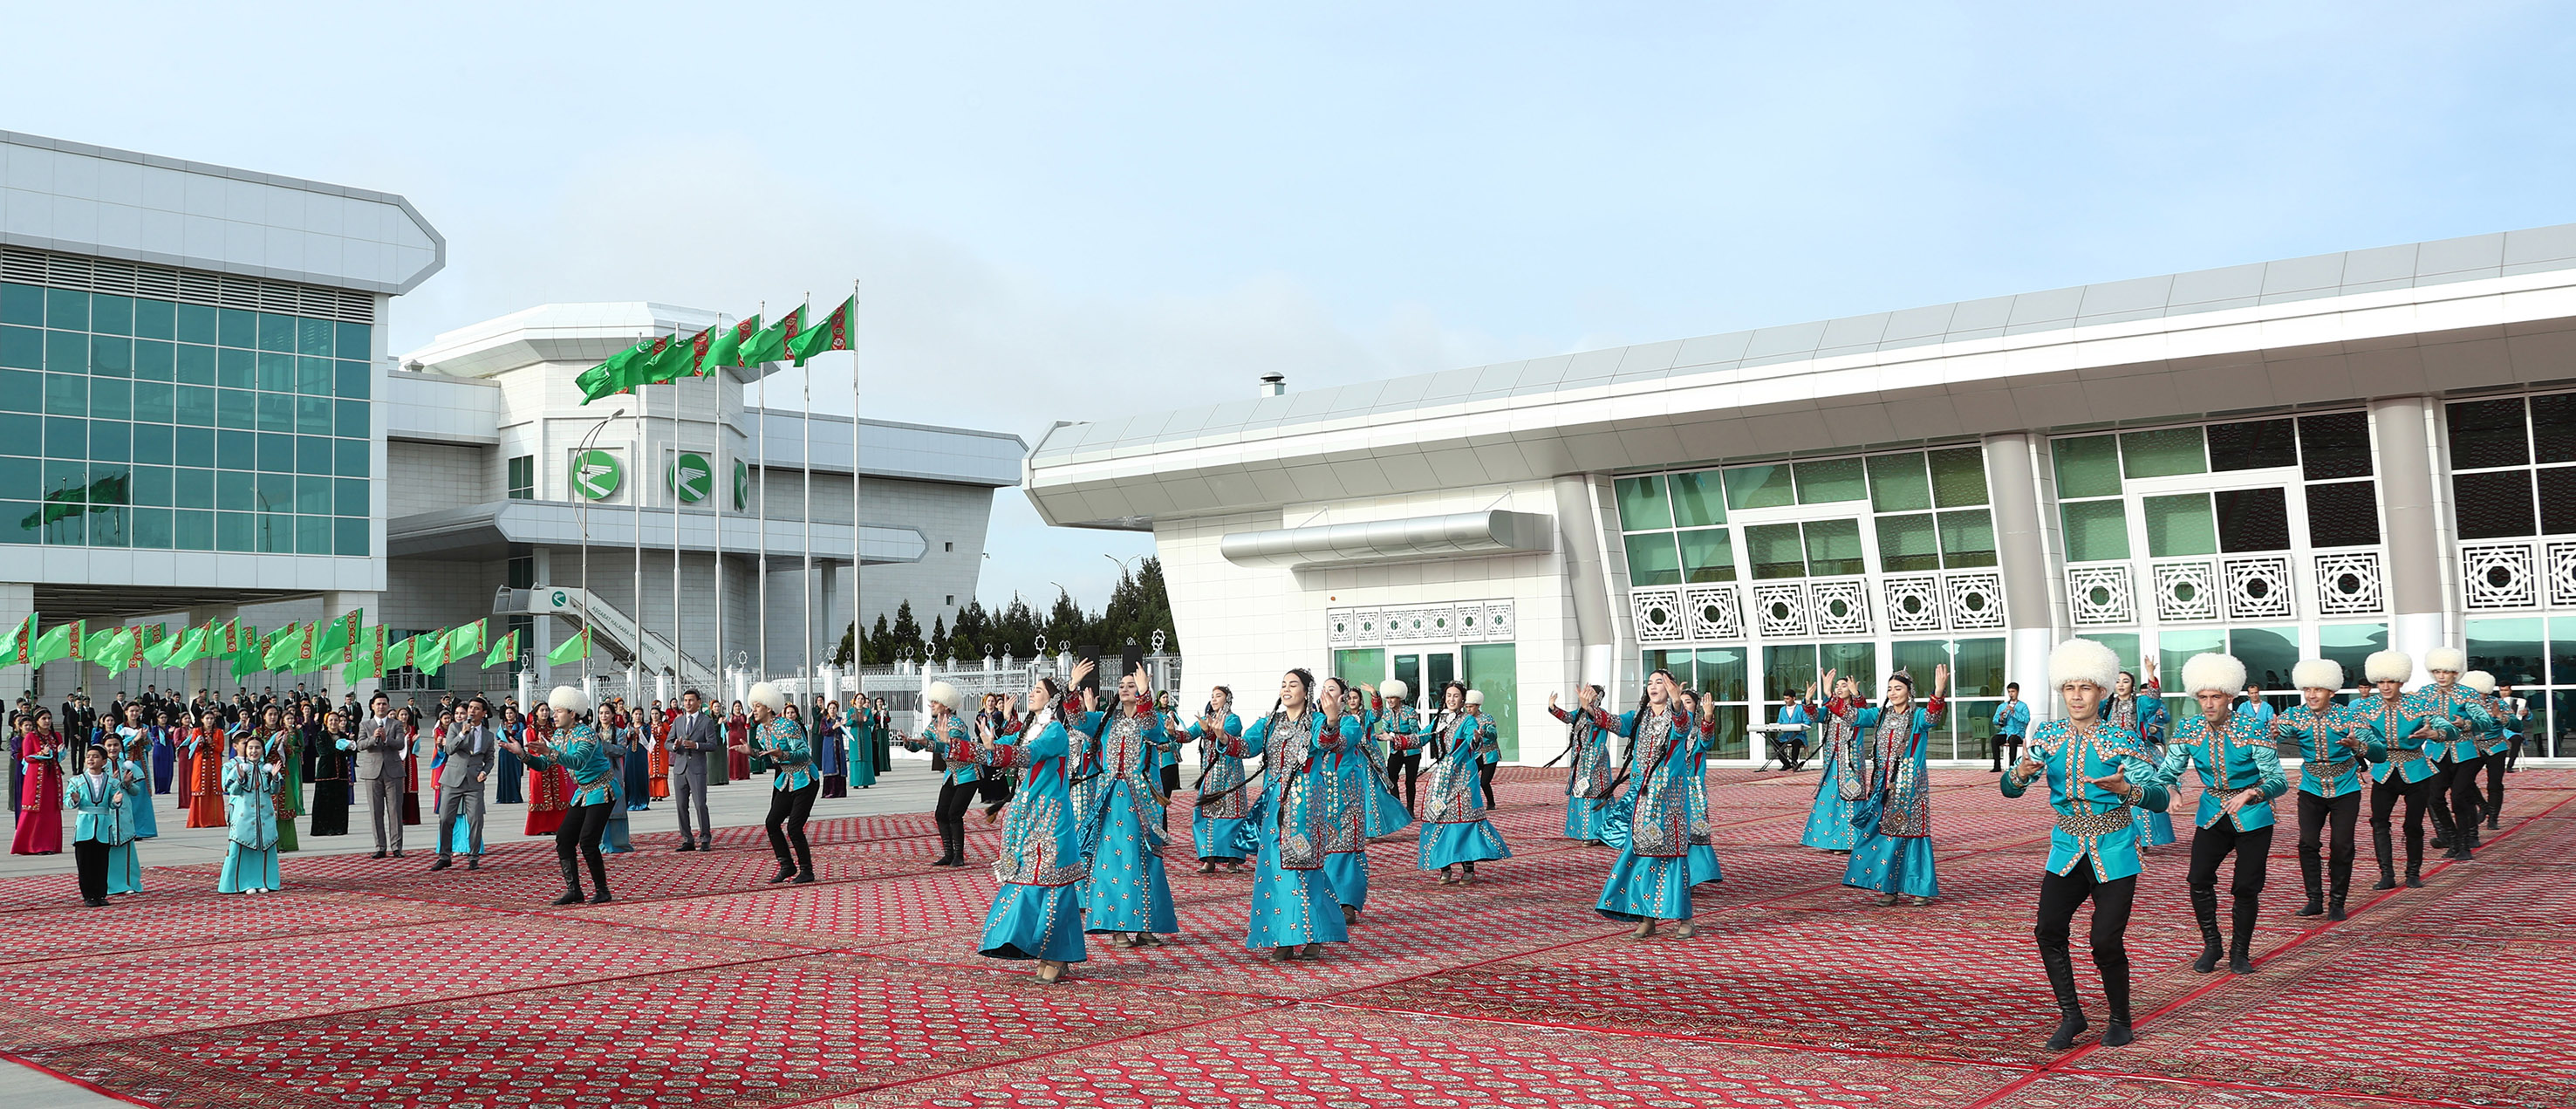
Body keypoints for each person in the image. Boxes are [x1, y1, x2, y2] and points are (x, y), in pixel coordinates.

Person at [2002, 638, 2173, 1050]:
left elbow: (2159, 797)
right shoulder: (2047, 736)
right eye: (2069, 688)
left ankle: (2120, 1019)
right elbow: (2009, 789)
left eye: (2085, 688)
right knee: (2047, 929)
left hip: (2115, 849)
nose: (2076, 696)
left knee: (2104, 940)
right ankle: (2071, 1015)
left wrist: (2127, 789)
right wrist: (2020, 774)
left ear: (2102, 691)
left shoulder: (2121, 740)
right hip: (2066, 847)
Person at [2159, 653, 2287, 976]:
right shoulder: (2189, 728)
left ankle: (2239, 952)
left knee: (2246, 886)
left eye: (2215, 697)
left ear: (2230, 697)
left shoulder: (2252, 728)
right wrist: (2172, 789)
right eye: (2202, 697)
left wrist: (2253, 793)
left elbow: (2278, 780)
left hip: (2254, 815)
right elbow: (2168, 772)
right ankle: (2212, 945)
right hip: (2212, 812)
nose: (2208, 704)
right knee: (2198, 878)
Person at [966, 671, 1091, 982]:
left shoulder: (1054, 732)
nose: (1031, 694)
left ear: (1052, 699)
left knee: (1054, 886)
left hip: (1051, 820)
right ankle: (1046, 951)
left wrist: (995, 749)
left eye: (1037, 690)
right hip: (1028, 820)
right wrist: (942, 744)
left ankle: (1056, 955)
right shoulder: (1029, 730)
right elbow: (997, 751)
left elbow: (1026, 755)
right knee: (1028, 882)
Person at [1240, 667, 1349, 960]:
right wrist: (1222, 737)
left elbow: (1328, 742)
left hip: (1305, 809)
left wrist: (1332, 720)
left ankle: (1311, 935)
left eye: (1293, 684)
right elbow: (1246, 747)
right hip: (1274, 809)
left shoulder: (1316, 721)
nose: (1286, 689)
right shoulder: (1270, 723)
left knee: (1304, 869)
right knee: (1275, 870)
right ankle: (1284, 937)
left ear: (1306, 691)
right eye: (1283, 684)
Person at [1595, 669, 1705, 938]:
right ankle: (1647, 919)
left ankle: (1686, 919)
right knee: (1641, 857)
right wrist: (1590, 708)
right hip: (1643, 802)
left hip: (1671, 802)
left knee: (1673, 860)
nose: (1653, 687)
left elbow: (1682, 727)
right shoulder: (1639, 717)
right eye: (1650, 683)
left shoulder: (1681, 716)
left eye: (1660, 682)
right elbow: (1615, 723)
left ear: (1670, 688)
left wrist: (1677, 702)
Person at [1828, 663, 1949, 906]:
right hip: (1882, 787)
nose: (1893, 693)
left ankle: (1919, 889)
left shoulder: (1917, 717)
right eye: (1889, 689)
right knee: (1881, 833)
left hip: (1910, 787)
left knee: (1912, 834)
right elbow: (1853, 716)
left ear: (1909, 692)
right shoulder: (1880, 715)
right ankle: (1888, 887)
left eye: (1898, 688)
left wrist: (1938, 691)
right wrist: (1831, 693)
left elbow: (1933, 716)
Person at [1078, 667, 1181, 946]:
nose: (1125, 688)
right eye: (1122, 685)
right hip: (1111, 800)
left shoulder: (1151, 717)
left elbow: (1152, 728)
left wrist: (1145, 692)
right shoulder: (1106, 720)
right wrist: (1073, 686)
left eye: (1131, 685)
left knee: (1145, 859)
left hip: (1143, 801)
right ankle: (1117, 928)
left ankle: (1145, 927)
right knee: (1113, 861)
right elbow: (1078, 720)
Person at [2274, 659, 2375, 921]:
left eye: (2317, 689)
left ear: (2331, 691)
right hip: (2310, 788)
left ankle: (2337, 902)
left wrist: (2357, 746)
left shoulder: (2349, 716)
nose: (2311, 695)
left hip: (2346, 789)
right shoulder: (2294, 715)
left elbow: (2379, 752)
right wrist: (2269, 733)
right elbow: (2271, 735)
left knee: (2342, 845)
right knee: (2307, 843)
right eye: (2307, 689)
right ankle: (2314, 900)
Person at [505, 688, 617, 905]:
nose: (553, 715)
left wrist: (548, 751)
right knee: (564, 838)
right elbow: (544, 764)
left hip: (602, 789)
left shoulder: (586, 734)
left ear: (572, 713)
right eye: (553, 711)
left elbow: (578, 762)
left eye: (558, 711)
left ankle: (602, 890)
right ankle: (574, 891)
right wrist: (523, 754)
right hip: (583, 791)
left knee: (588, 841)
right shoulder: (558, 735)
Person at [1400, 680, 1512, 887]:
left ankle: (1468, 869)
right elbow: (1421, 738)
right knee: (1438, 818)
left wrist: (1476, 738)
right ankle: (1445, 868)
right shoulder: (1439, 720)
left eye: (1456, 696)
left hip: (1462, 780)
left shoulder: (1468, 721)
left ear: (1463, 700)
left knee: (1464, 823)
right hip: (1442, 779)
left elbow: (1472, 740)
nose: (1452, 699)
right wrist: (1394, 739)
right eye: (1449, 695)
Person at [2348, 651, 2443, 890]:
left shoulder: (2418, 704)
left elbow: (2447, 728)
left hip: (2416, 770)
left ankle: (2413, 873)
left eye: (2390, 681)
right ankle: (2387, 875)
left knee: (2413, 825)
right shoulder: (2365, 707)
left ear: (2401, 681)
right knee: (2379, 822)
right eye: (2381, 681)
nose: (2385, 686)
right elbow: (2357, 732)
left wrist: (2435, 733)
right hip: (2383, 771)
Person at [2408, 647, 2492, 860]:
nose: (2441, 676)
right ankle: (2453, 839)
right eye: (2437, 672)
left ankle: (2465, 844)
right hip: (2438, 752)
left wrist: (2466, 723)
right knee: (2434, 798)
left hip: (2466, 753)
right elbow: (2414, 716)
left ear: (2455, 672)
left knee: (2459, 797)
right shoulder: (2425, 693)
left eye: (2446, 671)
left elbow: (2486, 722)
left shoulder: (2467, 693)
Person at [905, 681, 983, 868]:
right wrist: (909, 742)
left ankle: (959, 856)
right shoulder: (934, 725)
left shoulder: (957, 725)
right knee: (941, 813)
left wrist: (928, 744)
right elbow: (920, 743)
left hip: (968, 773)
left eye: (935, 702)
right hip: (951, 773)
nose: (931, 705)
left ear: (946, 705)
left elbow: (950, 746)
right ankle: (948, 854)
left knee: (954, 813)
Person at [748, 682, 819, 884]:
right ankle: (787, 865)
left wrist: (783, 754)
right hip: (786, 779)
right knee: (772, 822)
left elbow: (805, 753)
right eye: (753, 706)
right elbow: (769, 756)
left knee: (794, 828)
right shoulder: (760, 731)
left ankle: (807, 870)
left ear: (769, 707)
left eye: (758, 706)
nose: (754, 710)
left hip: (806, 779)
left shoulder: (788, 726)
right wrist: (752, 753)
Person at [1182, 685, 1250, 873]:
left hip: (1232, 777)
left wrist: (1209, 730)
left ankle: (1232, 861)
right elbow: (1188, 735)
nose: (1213, 699)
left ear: (1227, 700)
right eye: (1212, 696)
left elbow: (1224, 736)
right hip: (1211, 777)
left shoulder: (1233, 720)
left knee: (1233, 818)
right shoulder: (1206, 720)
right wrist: (1171, 732)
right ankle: (1208, 860)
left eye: (1218, 696)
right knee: (1205, 817)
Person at [2108, 664, 2173, 852]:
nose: (2121, 685)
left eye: (2125, 681)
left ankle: (2143, 839)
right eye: (2117, 681)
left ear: (2132, 685)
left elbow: (2154, 699)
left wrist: (2151, 674)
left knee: (2140, 792)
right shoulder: (2108, 705)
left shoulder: (2141, 703)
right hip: (2112, 754)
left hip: (2137, 754)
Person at [432, 697, 500, 871]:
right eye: (470, 708)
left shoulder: (488, 735)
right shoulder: (455, 727)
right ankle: (445, 856)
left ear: (484, 713)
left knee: (476, 820)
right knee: (445, 818)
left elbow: (490, 759)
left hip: (474, 781)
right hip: (453, 779)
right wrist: (462, 733)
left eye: (476, 708)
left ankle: (473, 857)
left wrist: (485, 771)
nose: (472, 711)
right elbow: (449, 749)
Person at [1802, 675, 1866, 853]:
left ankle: (1852, 842)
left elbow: (1862, 708)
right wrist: (1808, 699)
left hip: (1851, 763)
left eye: (1843, 686)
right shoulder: (1830, 710)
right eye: (1837, 686)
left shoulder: (1856, 710)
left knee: (1851, 797)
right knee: (1830, 798)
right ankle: (1834, 840)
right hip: (1832, 762)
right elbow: (1814, 715)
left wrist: (1856, 694)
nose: (1839, 689)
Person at [66, 745, 133, 906]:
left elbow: (113, 802)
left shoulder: (112, 782)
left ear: (104, 761)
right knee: (85, 863)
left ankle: (100, 894)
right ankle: (88, 895)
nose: (91, 759)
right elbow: (68, 801)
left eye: (95, 756)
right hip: (84, 826)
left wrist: (116, 801)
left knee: (101, 862)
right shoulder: (77, 781)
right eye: (88, 756)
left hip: (103, 826)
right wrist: (75, 800)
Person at [218, 735, 284, 894]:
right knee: (242, 847)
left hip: (265, 815)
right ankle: (243, 883)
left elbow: (274, 790)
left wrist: (275, 777)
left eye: (257, 748)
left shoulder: (267, 769)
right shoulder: (238, 768)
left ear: (263, 750)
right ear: (245, 750)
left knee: (264, 846)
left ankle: (263, 881)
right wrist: (240, 779)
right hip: (244, 814)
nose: (254, 751)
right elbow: (232, 791)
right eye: (251, 748)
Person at [344, 694, 406, 858]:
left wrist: (386, 739)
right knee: (376, 811)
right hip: (372, 773)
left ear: (388, 706)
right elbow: (360, 745)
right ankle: (380, 847)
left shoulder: (396, 724)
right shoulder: (365, 725)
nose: (381, 707)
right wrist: (373, 738)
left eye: (384, 704)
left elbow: (400, 744)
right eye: (378, 704)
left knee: (395, 811)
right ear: (372, 706)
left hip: (393, 772)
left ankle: (397, 847)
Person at [668, 690, 721, 852]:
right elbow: (667, 742)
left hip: (697, 768)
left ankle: (705, 838)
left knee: (699, 804)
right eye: (685, 700)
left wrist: (697, 745)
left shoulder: (706, 722)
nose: (688, 703)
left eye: (691, 700)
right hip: (680, 768)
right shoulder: (678, 721)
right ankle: (687, 839)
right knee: (681, 806)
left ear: (699, 702)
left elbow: (712, 745)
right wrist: (674, 746)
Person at [2463, 671, 2512, 832]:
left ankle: (2493, 817)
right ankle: (2483, 806)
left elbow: (2515, 725)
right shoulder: (2464, 705)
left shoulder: (2498, 703)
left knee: (2494, 784)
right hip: (2473, 747)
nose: (2481, 696)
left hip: (2496, 747)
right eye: (2477, 693)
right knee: (2464, 781)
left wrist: (2500, 716)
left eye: (2483, 693)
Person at [257, 706, 301, 854]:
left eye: (275, 714)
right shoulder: (258, 732)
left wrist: (287, 744)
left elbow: (291, 755)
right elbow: (256, 752)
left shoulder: (283, 731)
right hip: (264, 775)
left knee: (283, 809)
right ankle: (267, 843)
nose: (273, 717)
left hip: (282, 774)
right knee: (267, 808)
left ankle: (283, 843)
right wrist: (274, 743)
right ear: (264, 716)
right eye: (270, 714)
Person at [306, 709, 351, 838]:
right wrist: (340, 747)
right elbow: (324, 751)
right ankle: (325, 828)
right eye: (331, 720)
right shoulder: (322, 735)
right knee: (325, 802)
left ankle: (339, 827)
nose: (333, 722)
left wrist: (349, 746)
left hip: (341, 773)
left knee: (340, 802)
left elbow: (350, 752)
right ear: (326, 722)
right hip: (326, 772)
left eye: (336, 720)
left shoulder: (343, 736)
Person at [182, 710, 228, 828]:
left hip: (214, 764)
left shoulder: (219, 732)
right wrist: (200, 743)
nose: (209, 721)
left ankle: (215, 820)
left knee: (215, 789)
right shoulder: (197, 731)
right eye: (207, 718)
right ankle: (199, 820)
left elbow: (220, 749)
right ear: (202, 720)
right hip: (200, 764)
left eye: (211, 719)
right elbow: (194, 749)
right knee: (200, 788)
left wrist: (212, 744)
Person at [1990, 684, 2030, 772]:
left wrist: (2014, 712)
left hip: (2018, 733)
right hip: (2005, 732)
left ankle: (2012, 766)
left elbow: (2026, 720)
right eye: (2009, 692)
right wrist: (2001, 718)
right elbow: (1995, 720)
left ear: (2017, 692)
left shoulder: (2023, 706)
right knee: (1994, 739)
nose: (2011, 694)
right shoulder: (2002, 706)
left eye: (2013, 692)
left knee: (2013, 739)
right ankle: (1997, 766)